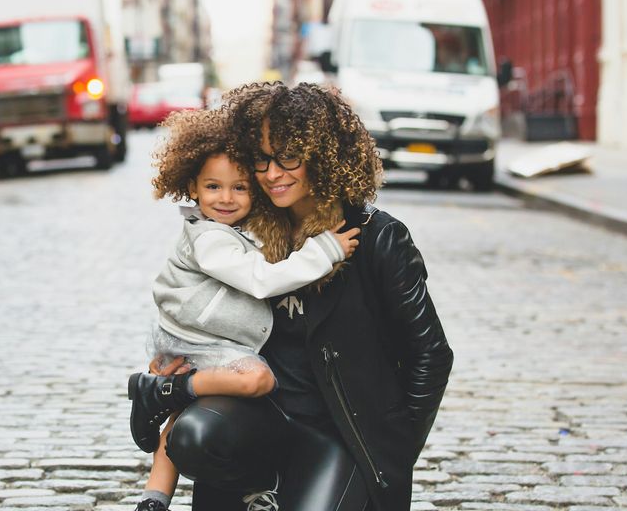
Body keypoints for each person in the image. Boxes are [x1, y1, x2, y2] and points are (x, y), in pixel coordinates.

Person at [161, 82, 455, 511]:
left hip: (342, 433)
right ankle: (260, 492)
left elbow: (430, 355)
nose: (272, 173)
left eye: (289, 157)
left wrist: (390, 451)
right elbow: (194, 308)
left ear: (322, 154)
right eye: (261, 159)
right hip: (261, 419)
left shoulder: (378, 238)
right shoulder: (244, 232)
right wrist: (174, 361)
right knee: (193, 436)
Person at [129, 107, 361, 511]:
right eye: (214, 187)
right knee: (257, 380)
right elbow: (260, 279)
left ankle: (154, 496)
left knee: (178, 419)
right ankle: (166, 392)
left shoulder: (239, 228)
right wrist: (324, 250)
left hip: (198, 336)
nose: (226, 198)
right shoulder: (210, 238)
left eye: (239, 187)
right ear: (193, 188)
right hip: (202, 339)